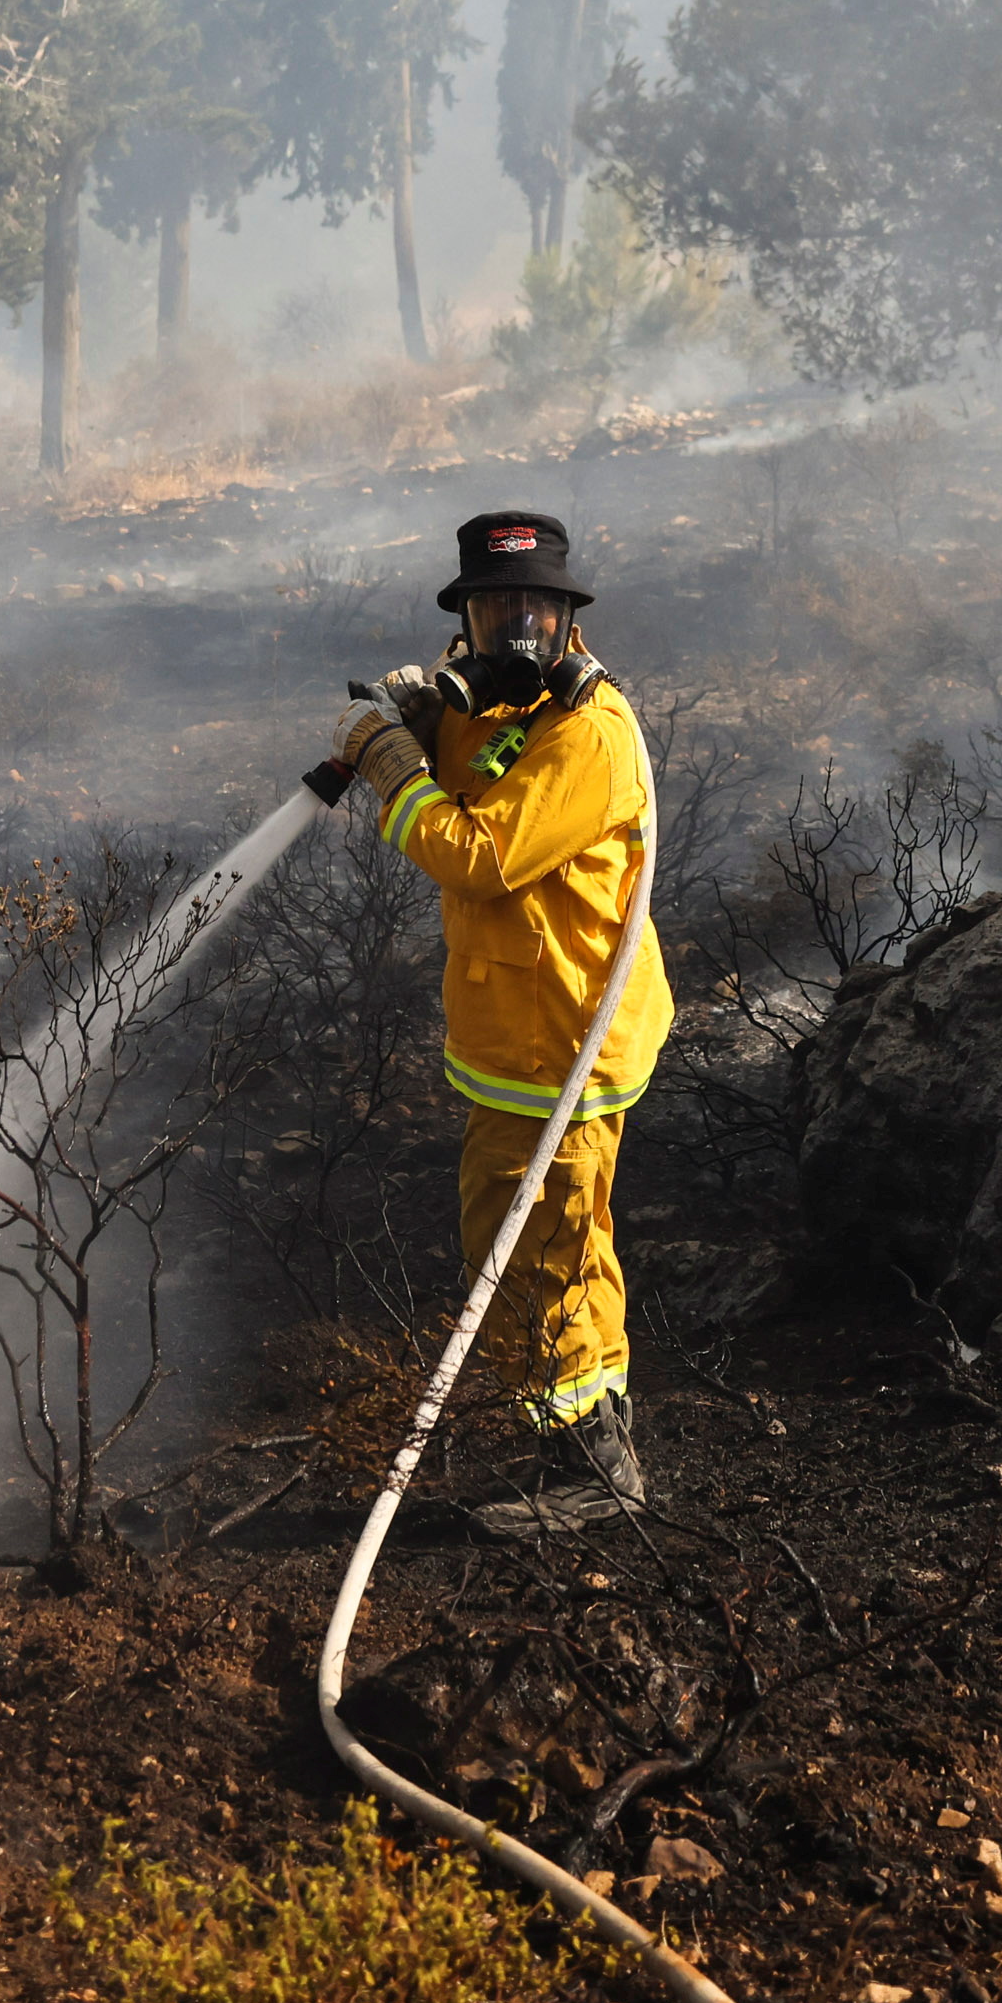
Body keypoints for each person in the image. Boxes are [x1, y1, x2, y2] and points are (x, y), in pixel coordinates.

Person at [329, 507, 673, 1533]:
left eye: (536, 607)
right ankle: (585, 1411)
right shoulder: (485, 706)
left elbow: (477, 852)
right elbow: (473, 760)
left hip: (564, 1040)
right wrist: (419, 712)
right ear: (467, 620)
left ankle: (591, 1468)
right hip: (509, 1039)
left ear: (571, 619)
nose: (516, 629)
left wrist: (388, 760)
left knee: (545, 1248)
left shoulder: (588, 732)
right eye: (495, 608)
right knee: (543, 1237)